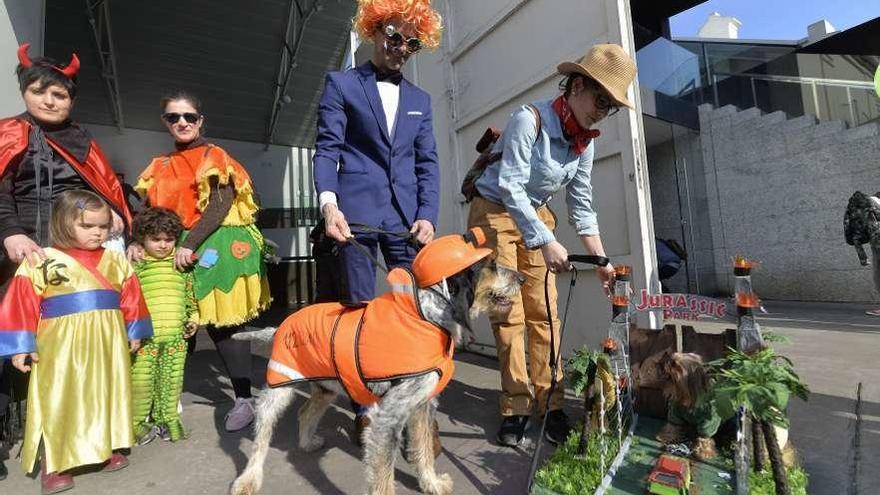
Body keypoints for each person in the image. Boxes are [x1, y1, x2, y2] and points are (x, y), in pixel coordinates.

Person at [466, 44, 636, 447]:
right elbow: (509, 185)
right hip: (492, 216)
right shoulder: (530, 120)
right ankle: (516, 408)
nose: (602, 111)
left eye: (610, 106)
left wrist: (600, 260)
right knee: (506, 313)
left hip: (535, 215)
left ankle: (551, 402)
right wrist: (546, 241)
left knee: (545, 314)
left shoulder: (584, 144)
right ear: (577, 86)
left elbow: (580, 204)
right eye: (600, 99)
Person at [0, 43, 133, 483]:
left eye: (59, 94)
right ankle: (21, 437)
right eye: (40, 91)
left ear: (70, 99)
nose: (49, 100)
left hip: (75, 255)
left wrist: (112, 208)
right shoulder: (7, 133)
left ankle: (89, 435)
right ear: (26, 93)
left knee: (77, 356)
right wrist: (11, 232)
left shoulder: (81, 139)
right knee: (13, 345)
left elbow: (102, 187)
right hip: (21, 250)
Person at [312, 0, 442, 444]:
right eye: (393, 36)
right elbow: (327, 148)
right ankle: (365, 407)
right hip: (355, 215)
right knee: (361, 311)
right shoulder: (342, 85)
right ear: (373, 31)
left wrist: (427, 214)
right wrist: (330, 205)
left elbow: (427, 162)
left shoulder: (421, 100)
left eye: (412, 42)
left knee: (416, 313)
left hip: (406, 221)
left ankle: (412, 407)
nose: (401, 47)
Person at [131, 91, 271, 432]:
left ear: (200, 121)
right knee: (176, 323)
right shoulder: (160, 165)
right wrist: (137, 241)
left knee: (225, 326)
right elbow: (149, 211)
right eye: (174, 117)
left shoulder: (214, 155)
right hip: (173, 248)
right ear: (165, 122)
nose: (182, 123)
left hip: (213, 248)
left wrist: (190, 244)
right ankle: (165, 398)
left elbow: (219, 205)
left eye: (188, 117)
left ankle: (243, 399)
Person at [0, 189, 151, 494]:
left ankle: (104, 446)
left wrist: (134, 331)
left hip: (107, 342)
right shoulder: (41, 260)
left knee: (103, 390)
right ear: (64, 223)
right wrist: (21, 345)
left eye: (103, 226)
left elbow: (132, 297)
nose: (97, 232)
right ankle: (55, 461)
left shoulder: (116, 260)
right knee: (60, 395)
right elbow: (21, 302)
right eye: (88, 226)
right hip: (60, 346)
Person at [130, 207, 199, 444]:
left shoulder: (180, 264)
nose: (162, 245)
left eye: (169, 240)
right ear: (141, 238)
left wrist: (193, 318)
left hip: (175, 339)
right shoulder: (135, 264)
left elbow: (190, 295)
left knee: (171, 383)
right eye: (155, 239)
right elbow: (126, 299)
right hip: (144, 339)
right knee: (140, 384)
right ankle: (136, 425)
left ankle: (167, 421)